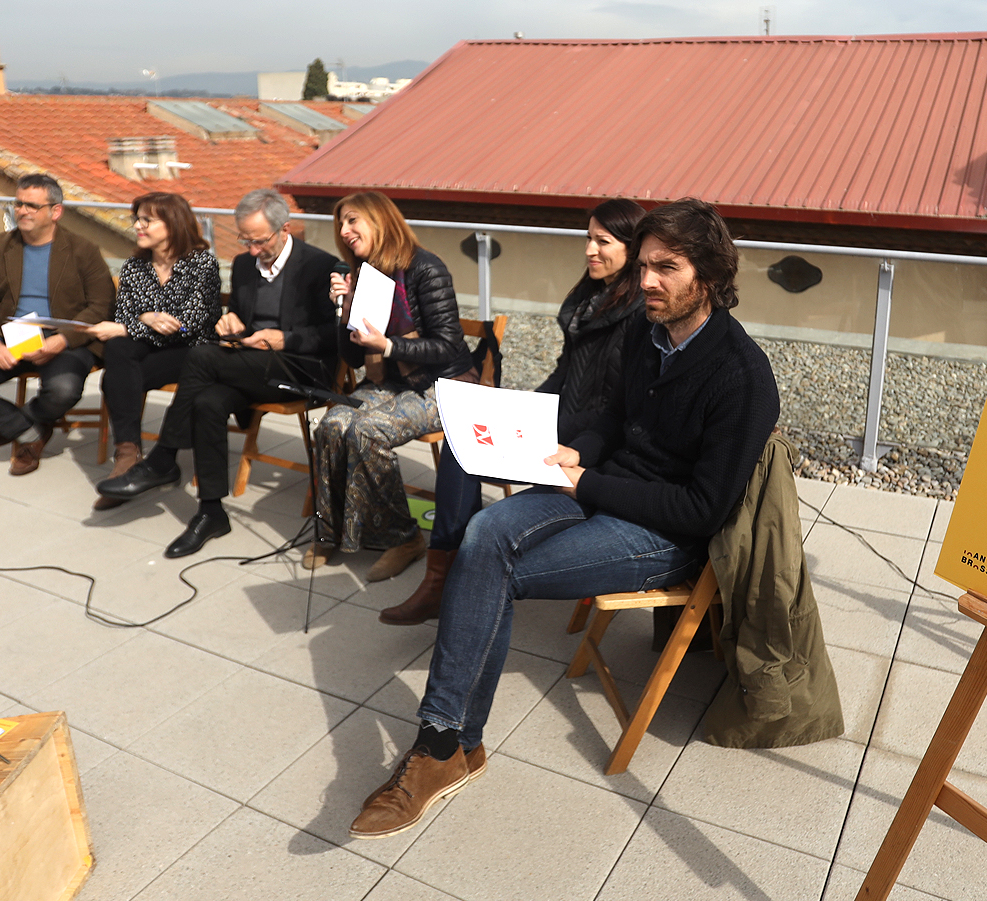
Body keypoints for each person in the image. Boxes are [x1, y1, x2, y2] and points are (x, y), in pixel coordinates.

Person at [349, 198, 779, 839]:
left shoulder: (741, 377)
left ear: (710, 278)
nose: (647, 282)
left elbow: (701, 510)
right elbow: (614, 417)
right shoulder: (647, 330)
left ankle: (445, 749)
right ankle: (449, 743)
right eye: (645, 266)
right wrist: (584, 452)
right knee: (481, 533)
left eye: (667, 268)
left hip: (662, 534)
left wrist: (591, 479)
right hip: (602, 486)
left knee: (495, 564)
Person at [378, 197, 647, 625]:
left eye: (603, 241)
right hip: (561, 422)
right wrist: (518, 410)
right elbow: (564, 374)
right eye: (588, 239)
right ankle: (441, 575)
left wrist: (547, 433)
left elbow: (616, 409)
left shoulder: (641, 317)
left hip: (591, 446)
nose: (590, 250)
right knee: (461, 443)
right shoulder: (592, 299)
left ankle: (450, 578)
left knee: (463, 453)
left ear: (633, 250)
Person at [94, 189, 342, 557]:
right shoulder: (243, 265)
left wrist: (285, 338)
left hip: (301, 369)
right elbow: (241, 320)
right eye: (246, 240)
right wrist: (233, 324)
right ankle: (211, 512)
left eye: (259, 241)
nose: (253, 249)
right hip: (250, 364)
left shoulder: (322, 267)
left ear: (285, 228)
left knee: (202, 356)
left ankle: (163, 460)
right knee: (208, 401)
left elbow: (335, 336)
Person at [309, 190, 473, 581]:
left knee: (367, 431)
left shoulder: (425, 268)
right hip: (392, 380)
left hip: (442, 383)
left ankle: (404, 537)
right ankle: (333, 530)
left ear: (380, 220)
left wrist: (388, 345)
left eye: (352, 220)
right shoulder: (364, 275)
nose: (344, 230)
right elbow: (351, 360)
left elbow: (449, 341)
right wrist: (342, 312)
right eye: (340, 224)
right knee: (332, 426)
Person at [0, 174, 114, 475]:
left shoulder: (83, 249)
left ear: (55, 211)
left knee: (63, 389)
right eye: (19, 203)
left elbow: (102, 304)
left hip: (66, 335)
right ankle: (29, 431)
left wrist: (63, 340)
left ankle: (26, 422)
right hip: (16, 335)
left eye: (32, 205)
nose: (22, 211)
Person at [85, 192, 221, 494]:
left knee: (116, 377)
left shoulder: (202, 264)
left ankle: (137, 463)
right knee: (119, 351)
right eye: (137, 219)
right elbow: (125, 315)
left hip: (193, 352)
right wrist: (146, 319)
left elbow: (190, 324)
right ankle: (128, 452)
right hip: (149, 349)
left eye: (147, 220)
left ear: (172, 224)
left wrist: (136, 324)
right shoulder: (135, 266)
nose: (137, 226)